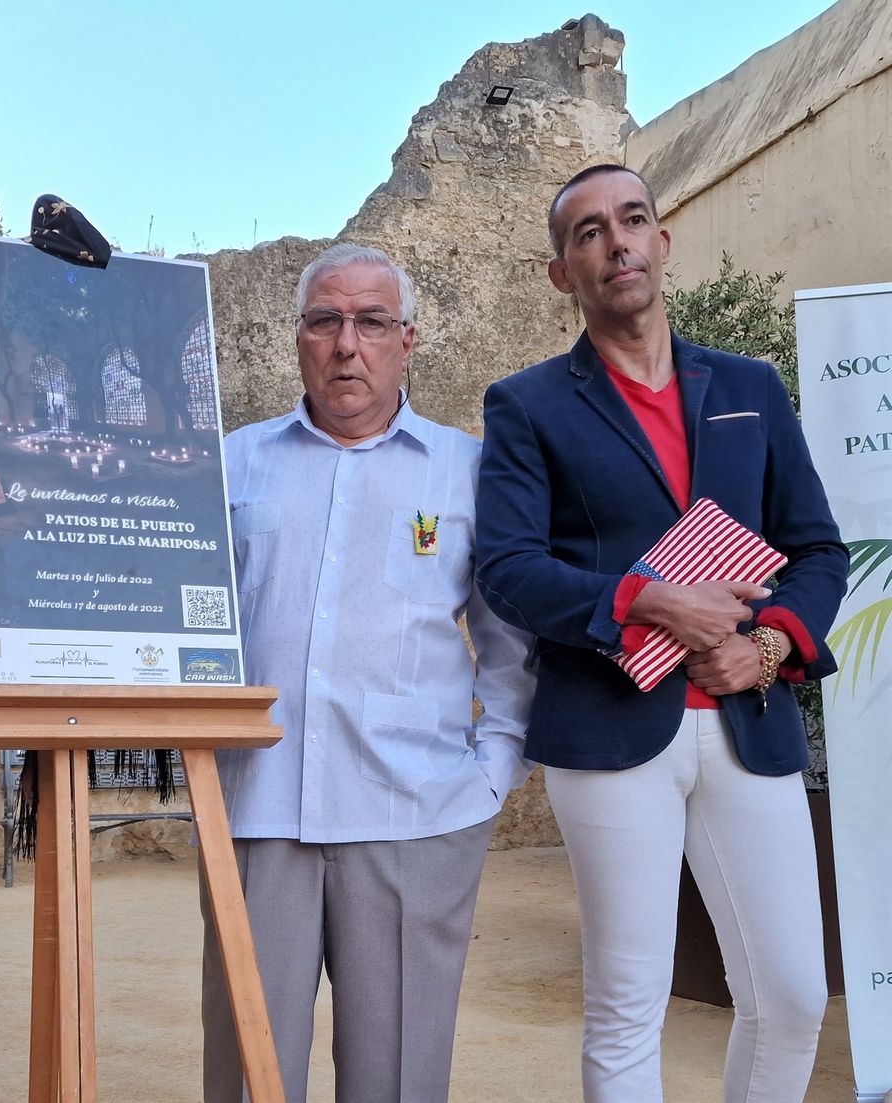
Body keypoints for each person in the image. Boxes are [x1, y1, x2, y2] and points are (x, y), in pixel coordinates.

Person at [475, 163, 848, 1102]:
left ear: (662, 242)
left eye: (633, 220)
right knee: (628, 999)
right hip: (608, 727)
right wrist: (644, 598)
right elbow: (508, 568)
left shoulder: (750, 387)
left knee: (795, 991)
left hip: (744, 718)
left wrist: (765, 645)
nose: (617, 243)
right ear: (564, 270)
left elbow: (817, 551)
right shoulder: (528, 404)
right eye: (589, 232)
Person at [205, 242, 536, 1103]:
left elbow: (509, 644)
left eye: (371, 321)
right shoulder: (232, 465)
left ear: (407, 340)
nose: (347, 343)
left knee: (397, 1080)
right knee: (250, 1075)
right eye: (325, 321)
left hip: (413, 819)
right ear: (299, 338)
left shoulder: (467, 472)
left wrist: (490, 777)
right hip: (256, 811)